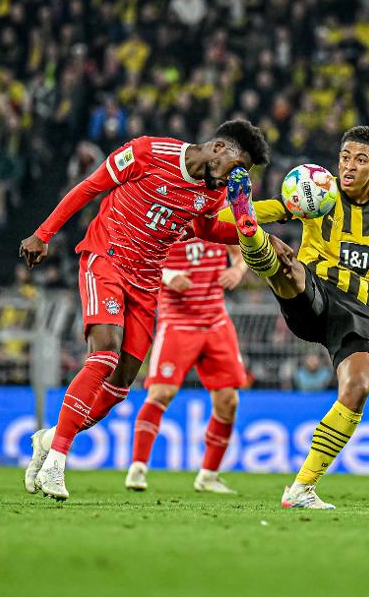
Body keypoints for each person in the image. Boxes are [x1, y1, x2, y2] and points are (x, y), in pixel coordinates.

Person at [20, 119, 270, 500]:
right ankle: (57, 460)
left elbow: (208, 231)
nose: (239, 178)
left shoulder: (213, 195)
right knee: (103, 355)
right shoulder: (147, 152)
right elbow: (90, 187)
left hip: (147, 282)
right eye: (239, 167)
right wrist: (44, 233)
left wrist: (268, 227)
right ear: (219, 149)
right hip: (107, 258)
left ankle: (53, 437)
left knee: (119, 387)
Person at [220, 125, 369, 509]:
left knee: (361, 385)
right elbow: (278, 209)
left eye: (360, 160)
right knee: (287, 263)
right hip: (314, 291)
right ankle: (251, 235)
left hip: (358, 311)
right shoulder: (318, 189)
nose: (348, 166)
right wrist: (235, 213)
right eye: (345, 157)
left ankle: (301, 488)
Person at [125, 240, 246, 494]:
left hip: (216, 322)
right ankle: (138, 467)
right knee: (161, 394)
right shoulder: (170, 217)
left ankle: (209, 475)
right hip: (178, 323)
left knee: (229, 401)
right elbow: (137, 262)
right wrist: (168, 276)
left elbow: (241, 252)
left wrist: (237, 269)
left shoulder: (220, 215)